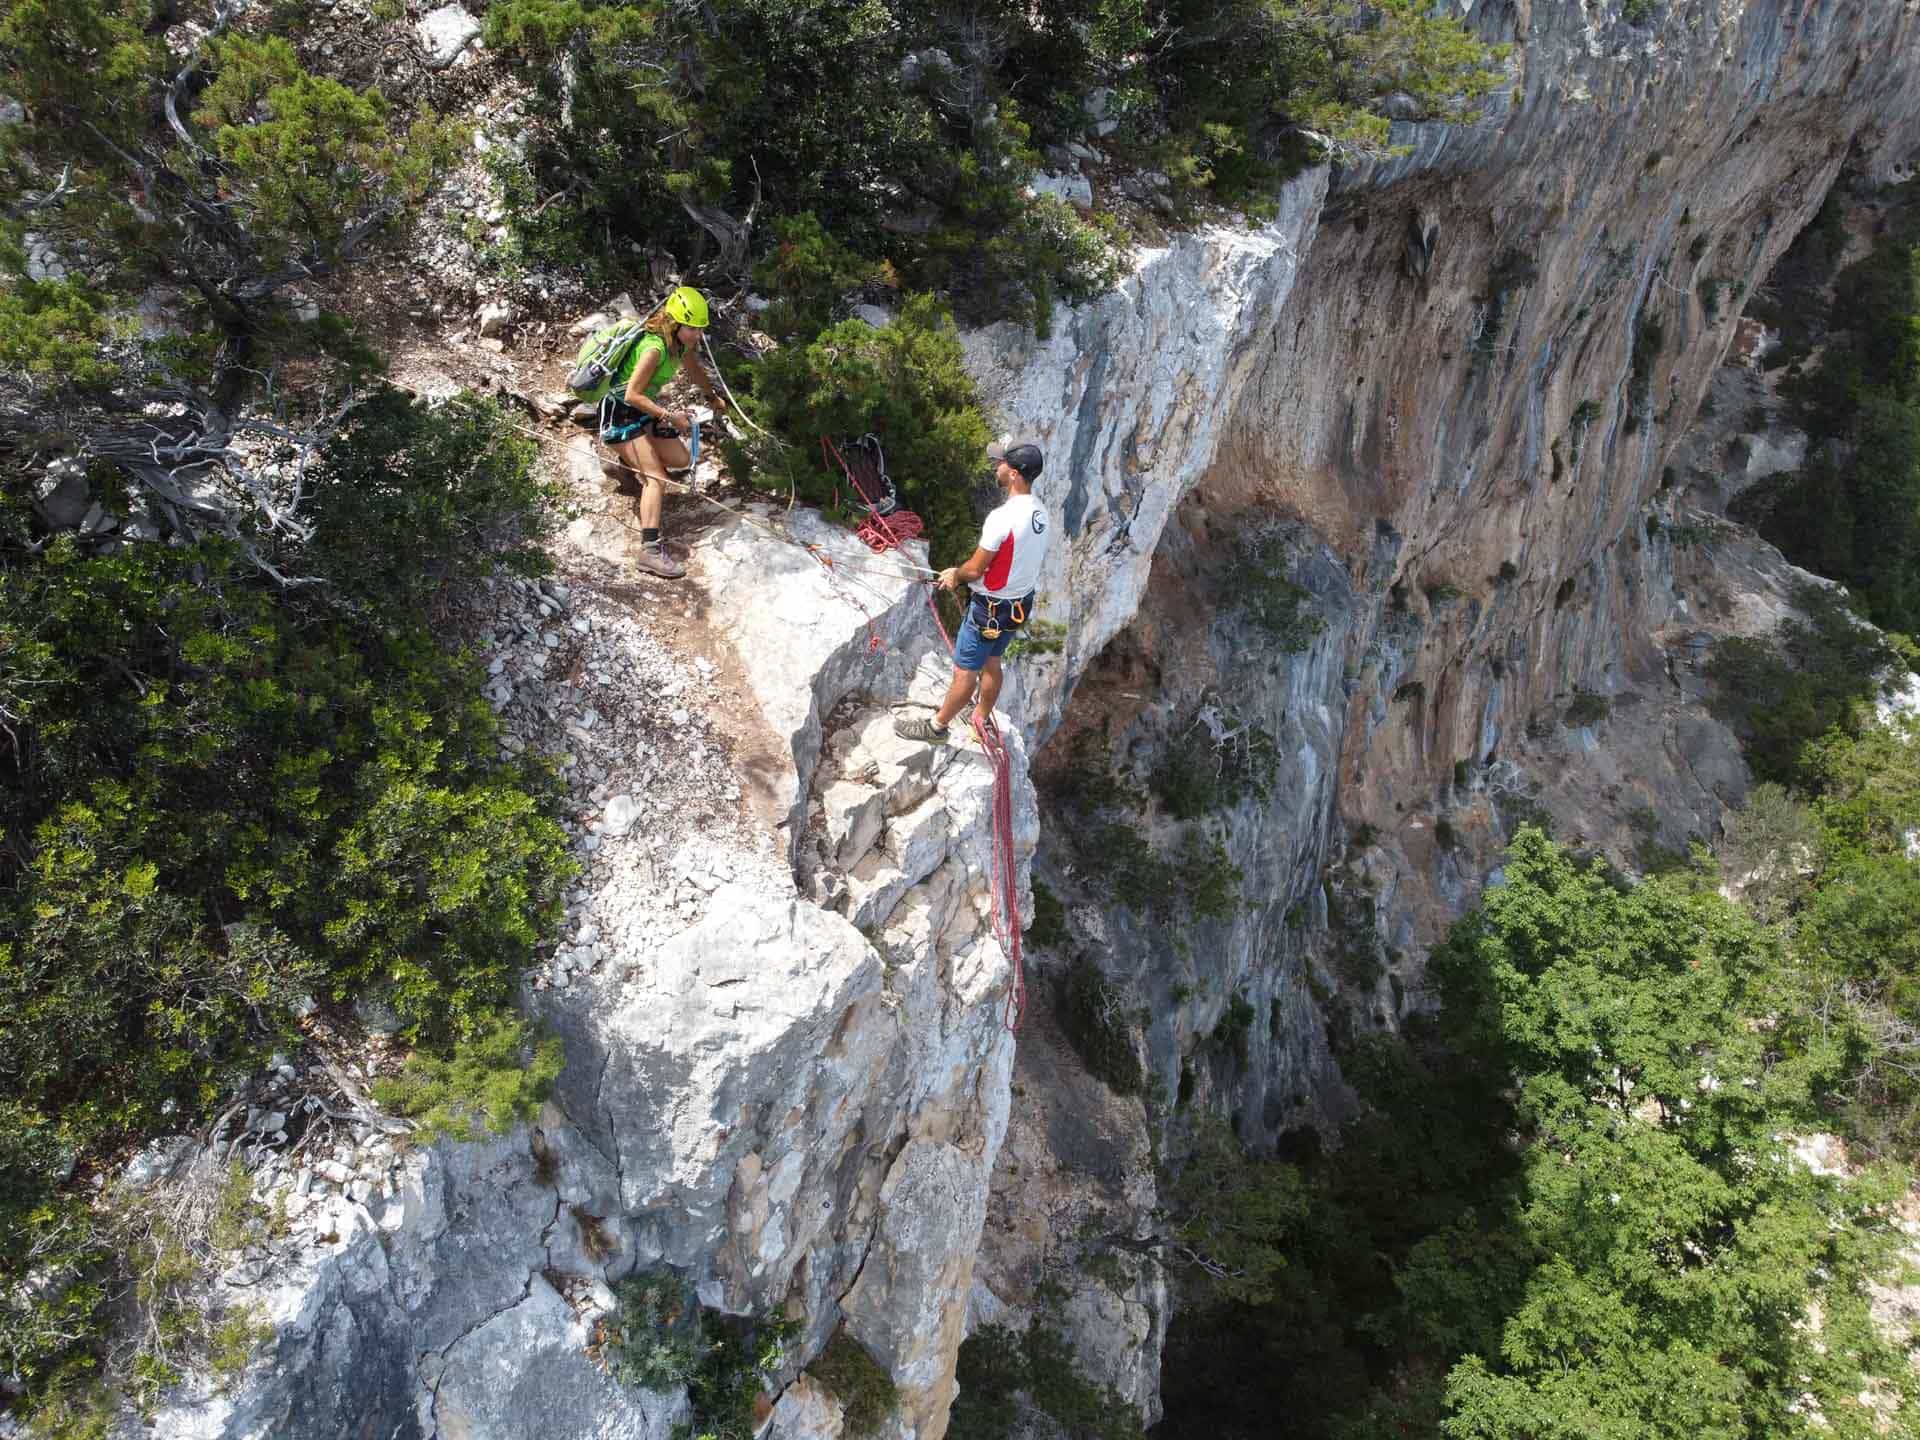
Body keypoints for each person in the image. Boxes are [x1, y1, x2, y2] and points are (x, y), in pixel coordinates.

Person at [896, 437, 1049, 745]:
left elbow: (976, 569)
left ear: (1014, 473)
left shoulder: (1003, 518)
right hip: (1018, 605)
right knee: (992, 661)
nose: (996, 466)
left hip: (989, 608)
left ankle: (937, 728)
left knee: (965, 672)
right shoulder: (1040, 514)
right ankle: (980, 717)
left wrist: (956, 575)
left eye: (1001, 463)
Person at [599, 286, 731, 579]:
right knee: (656, 478)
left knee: (681, 459)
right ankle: (649, 551)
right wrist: (670, 417)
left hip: (643, 413)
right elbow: (632, 395)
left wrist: (712, 397)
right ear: (675, 323)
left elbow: (694, 370)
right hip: (620, 415)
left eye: (700, 329)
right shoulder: (654, 349)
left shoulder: (679, 345)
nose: (697, 335)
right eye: (692, 328)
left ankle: (625, 465)